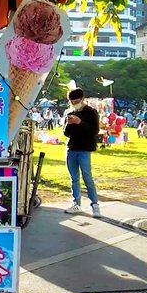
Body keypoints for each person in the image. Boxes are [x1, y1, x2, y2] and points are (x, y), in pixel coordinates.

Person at [63, 88, 101, 218]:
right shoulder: (70, 112)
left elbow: (94, 130)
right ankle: (76, 203)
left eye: (77, 101)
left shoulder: (91, 112)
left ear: (82, 99)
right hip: (71, 148)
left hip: (84, 149)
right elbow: (66, 133)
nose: (75, 103)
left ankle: (95, 204)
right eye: (72, 101)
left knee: (87, 178)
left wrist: (80, 122)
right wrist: (69, 124)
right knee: (74, 179)